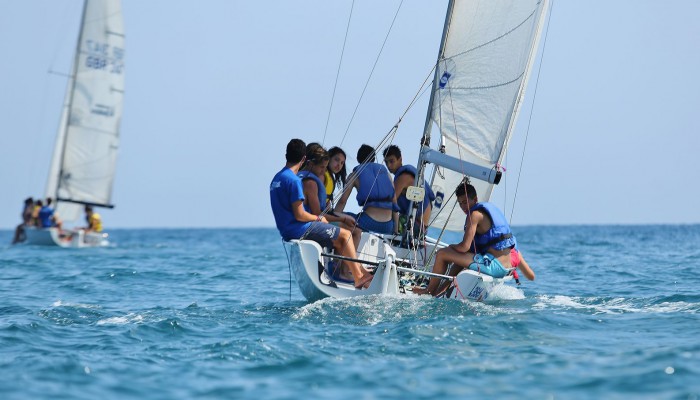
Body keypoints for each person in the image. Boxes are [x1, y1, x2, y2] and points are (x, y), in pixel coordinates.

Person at [270, 138, 373, 289]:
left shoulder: (276, 178)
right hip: (299, 228)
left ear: (286, 155)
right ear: (304, 158)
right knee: (345, 235)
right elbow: (300, 215)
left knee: (340, 235)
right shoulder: (293, 181)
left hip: (286, 230)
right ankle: (358, 277)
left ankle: (354, 272)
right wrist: (319, 218)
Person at [413, 178, 535, 296]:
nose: (463, 207)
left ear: (475, 199)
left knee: (442, 254)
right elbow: (467, 250)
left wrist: (451, 247)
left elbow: (464, 247)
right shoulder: (486, 211)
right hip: (503, 266)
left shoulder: (475, 215)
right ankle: (441, 290)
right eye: (460, 203)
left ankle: (429, 291)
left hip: (495, 266)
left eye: (465, 202)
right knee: (457, 260)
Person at [335, 144, 395, 235]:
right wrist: (396, 230)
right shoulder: (387, 175)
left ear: (358, 159)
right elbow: (394, 202)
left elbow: (342, 201)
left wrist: (334, 216)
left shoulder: (354, 175)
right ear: (374, 158)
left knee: (338, 216)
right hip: (388, 226)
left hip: (368, 222)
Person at [382, 144, 436, 236]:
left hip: (415, 226)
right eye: (386, 162)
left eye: (391, 161)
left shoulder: (403, 177)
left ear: (400, 159)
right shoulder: (407, 174)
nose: (389, 166)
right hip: (420, 226)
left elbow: (390, 202)